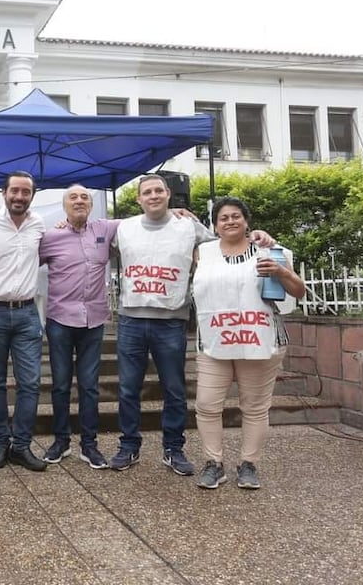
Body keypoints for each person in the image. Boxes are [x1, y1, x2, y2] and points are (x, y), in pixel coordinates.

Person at [110, 174, 274, 476]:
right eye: (147, 192)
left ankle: (174, 449)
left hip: (171, 321)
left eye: (159, 190)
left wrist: (259, 236)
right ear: (138, 198)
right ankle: (128, 446)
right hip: (131, 319)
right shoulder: (123, 228)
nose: (153, 196)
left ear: (169, 194)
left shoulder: (189, 225)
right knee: (127, 389)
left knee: (174, 389)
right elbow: (91, 241)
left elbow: (229, 241)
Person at [193, 197, 305, 490]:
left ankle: (248, 464)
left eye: (235, 216)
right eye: (223, 218)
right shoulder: (202, 253)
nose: (230, 221)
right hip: (215, 341)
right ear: (215, 226)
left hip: (260, 340)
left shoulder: (269, 250)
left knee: (254, 407)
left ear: (246, 221)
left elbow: (299, 291)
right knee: (206, 404)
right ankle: (213, 463)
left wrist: (281, 272)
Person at [39, 184, 119, 469]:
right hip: (60, 320)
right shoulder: (50, 237)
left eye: (85, 197)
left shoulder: (106, 229)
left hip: (93, 320)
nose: (80, 200)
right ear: (64, 206)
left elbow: (145, 221)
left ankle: (89, 444)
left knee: (90, 387)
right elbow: (25, 264)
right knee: (60, 385)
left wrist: (178, 211)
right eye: (73, 197)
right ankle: (61, 441)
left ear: (91, 204)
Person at [0, 171, 47, 472]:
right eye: (14, 191)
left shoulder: (40, 225)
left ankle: (21, 446)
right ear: (3, 193)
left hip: (27, 313)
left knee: (30, 383)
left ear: (32, 195)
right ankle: (0, 444)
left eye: (25, 192)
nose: (19, 197)